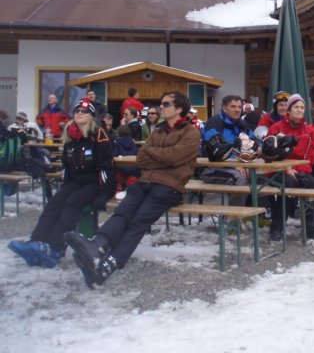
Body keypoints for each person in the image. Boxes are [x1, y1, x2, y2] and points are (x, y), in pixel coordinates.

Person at [65, 90, 201, 288]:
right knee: (122, 214)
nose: (160, 107)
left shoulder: (191, 133)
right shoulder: (158, 131)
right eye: (161, 104)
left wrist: (157, 155)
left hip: (169, 187)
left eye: (165, 104)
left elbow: (175, 158)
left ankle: (108, 266)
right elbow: (142, 158)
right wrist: (163, 157)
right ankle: (98, 246)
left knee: (137, 223)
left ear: (179, 109)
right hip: (144, 182)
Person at [7, 98, 114, 268]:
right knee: (54, 203)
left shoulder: (99, 135)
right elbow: (66, 165)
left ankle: (55, 248)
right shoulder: (70, 135)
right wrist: (64, 187)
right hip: (76, 181)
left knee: (71, 205)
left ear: (92, 116)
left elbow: (106, 167)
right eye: (77, 110)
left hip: (94, 183)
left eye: (84, 111)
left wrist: (104, 194)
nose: (79, 113)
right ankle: (36, 243)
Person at [266, 94, 314, 241]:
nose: (300, 110)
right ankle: (276, 226)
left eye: (302, 107)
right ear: (288, 110)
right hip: (278, 170)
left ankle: (311, 226)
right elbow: (269, 154)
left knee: (313, 183)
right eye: (296, 107)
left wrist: (300, 172)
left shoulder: (309, 130)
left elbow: (311, 157)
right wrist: (288, 170)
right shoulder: (276, 127)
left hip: (301, 170)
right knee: (287, 185)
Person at [201, 95, 256, 206]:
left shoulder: (241, 124)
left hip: (239, 166)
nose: (237, 110)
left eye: (239, 107)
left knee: (260, 177)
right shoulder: (214, 122)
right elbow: (215, 150)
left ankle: (253, 213)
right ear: (224, 108)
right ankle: (235, 215)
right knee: (239, 178)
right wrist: (234, 165)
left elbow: (255, 143)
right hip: (211, 168)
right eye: (233, 106)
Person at [112, 124, 140, 192]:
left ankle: (119, 184)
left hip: (121, 169)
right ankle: (131, 182)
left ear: (118, 133)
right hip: (133, 169)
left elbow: (114, 155)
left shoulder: (116, 143)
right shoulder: (133, 143)